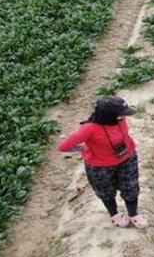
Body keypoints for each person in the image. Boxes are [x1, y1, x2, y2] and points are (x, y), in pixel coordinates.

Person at [58, 96, 147, 228]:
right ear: (108, 115)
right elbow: (64, 146)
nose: (123, 116)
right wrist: (83, 148)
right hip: (100, 167)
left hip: (127, 158)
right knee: (106, 192)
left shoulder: (120, 120)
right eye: (120, 114)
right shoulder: (89, 129)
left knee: (131, 187)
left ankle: (133, 214)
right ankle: (114, 215)